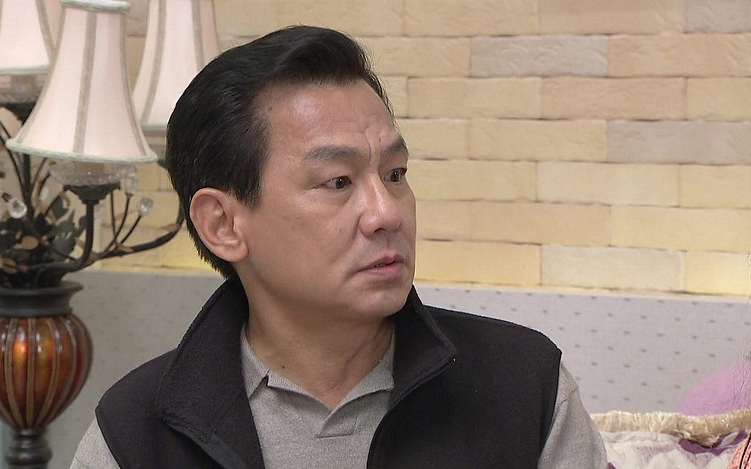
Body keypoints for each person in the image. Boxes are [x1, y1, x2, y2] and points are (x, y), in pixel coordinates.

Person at [71, 25, 606, 468]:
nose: (386, 213)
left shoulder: (524, 386)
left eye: (395, 174)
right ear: (223, 225)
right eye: (338, 182)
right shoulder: (135, 434)